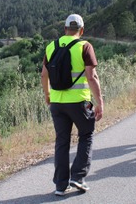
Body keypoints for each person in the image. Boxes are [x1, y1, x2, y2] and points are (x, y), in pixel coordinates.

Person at [41, 14, 104, 196]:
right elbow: (91, 76)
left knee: (62, 141)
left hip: (57, 103)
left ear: (64, 29)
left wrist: (47, 95)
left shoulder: (51, 46)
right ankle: (78, 177)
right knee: (86, 134)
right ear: (82, 30)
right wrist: (99, 101)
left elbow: (44, 75)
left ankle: (61, 185)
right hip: (80, 102)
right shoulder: (85, 46)